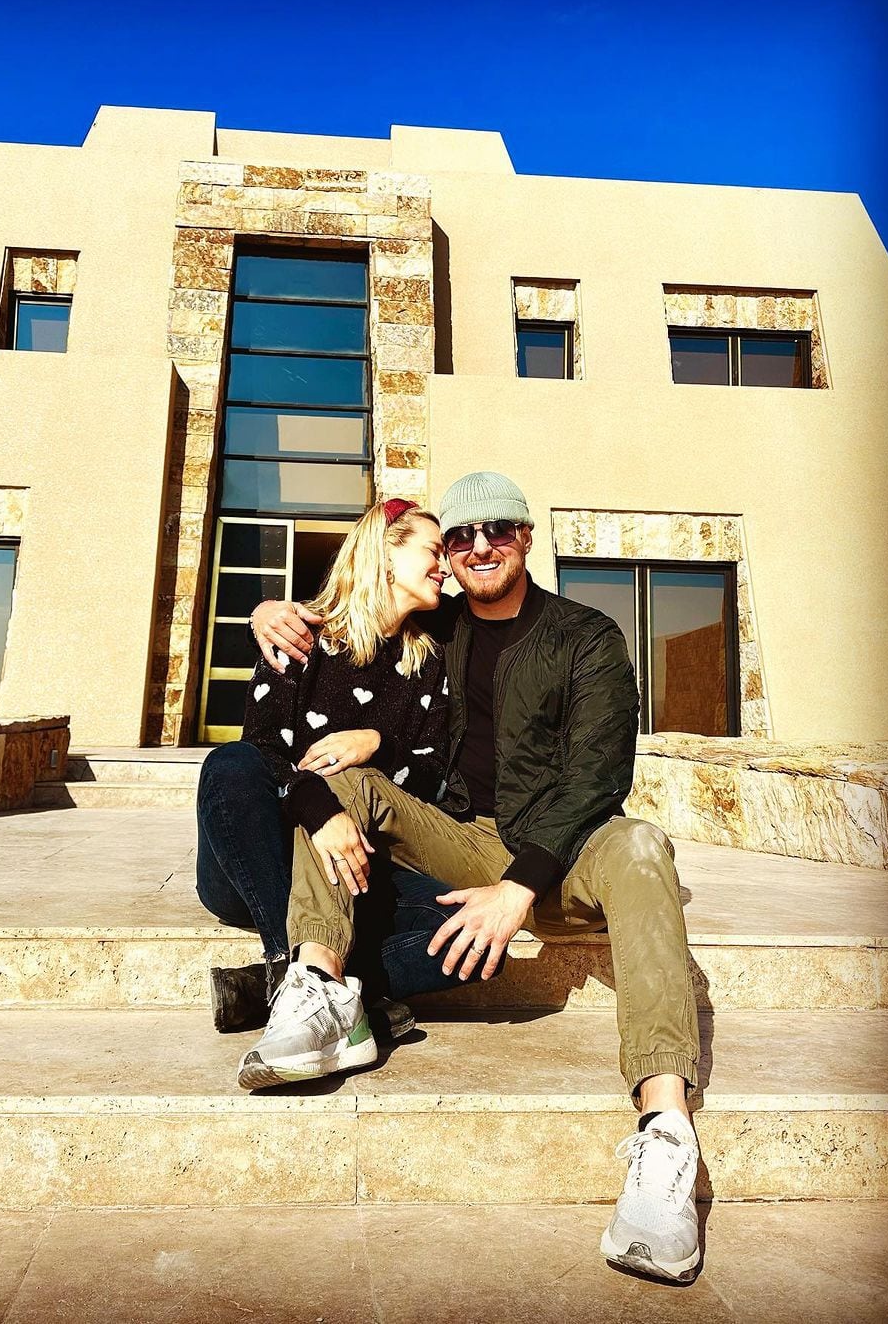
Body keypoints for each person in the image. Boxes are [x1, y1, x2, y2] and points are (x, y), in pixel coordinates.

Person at [249, 471, 703, 1285]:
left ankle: (665, 1135)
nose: (477, 547)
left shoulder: (586, 636)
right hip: (460, 839)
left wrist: (519, 888)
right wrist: (270, 613)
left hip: (566, 850)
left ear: (525, 535)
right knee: (340, 785)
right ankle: (316, 989)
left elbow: (599, 775)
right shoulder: (439, 624)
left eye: (497, 530)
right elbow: (354, 613)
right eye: (459, 537)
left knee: (642, 846)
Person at [195, 497, 468, 1065]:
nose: (445, 566)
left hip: (354, 871)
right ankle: (303, 969)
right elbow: (265, 753)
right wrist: (321, 812)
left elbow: (432, 774)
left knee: (468, 936)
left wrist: (376, 742)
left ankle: (285, 984)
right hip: (259, 862)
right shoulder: (301, 637)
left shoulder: (430, 658)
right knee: (230, 764)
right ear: (385, 554)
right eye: (433, 551)